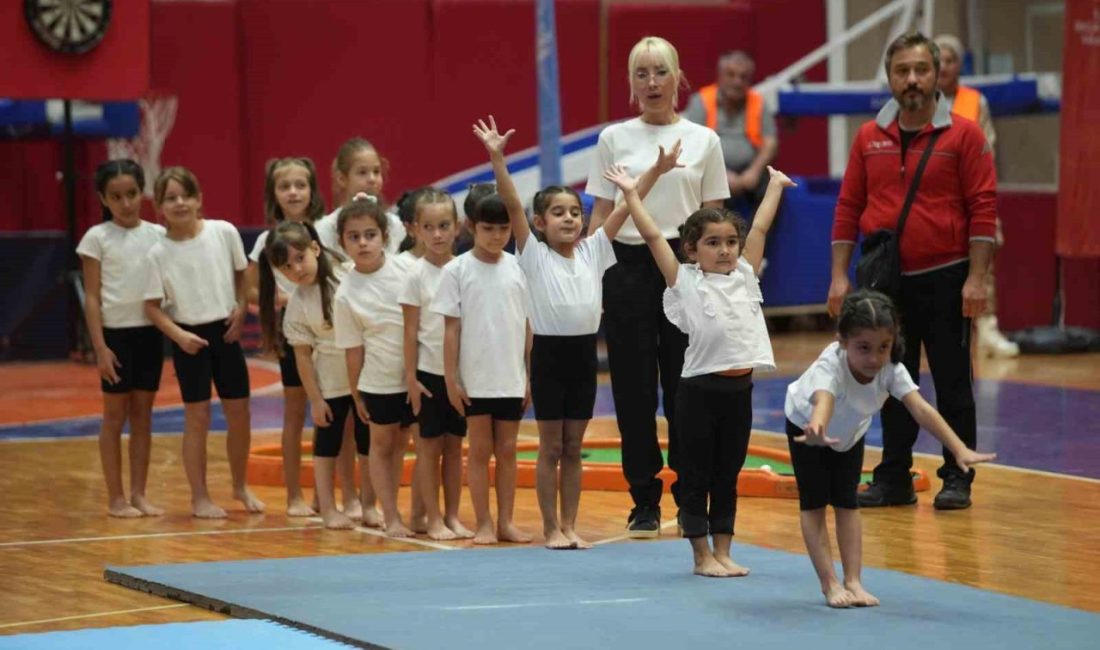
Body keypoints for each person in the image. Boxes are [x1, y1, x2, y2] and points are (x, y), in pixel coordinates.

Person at [827, 32, 998, 510]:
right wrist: (840, 277)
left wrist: (977, 279)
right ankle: (894, 477)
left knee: (952, 381)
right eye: (902, 71)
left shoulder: (966, 135)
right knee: (888, 380)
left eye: (922, 69)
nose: (913, 80)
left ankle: (957, 476)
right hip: (885, 285)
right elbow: (848, 207)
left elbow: (983, 209)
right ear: (890, 78)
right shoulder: (867, 138)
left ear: (937, 73)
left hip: (947, 278)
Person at [608, 158, 793, 576]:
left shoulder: (746, 274)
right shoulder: (685, 281)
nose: (725, 249)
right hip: (698, 393)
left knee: (728, 475)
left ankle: (724, 551)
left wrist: (776, 187)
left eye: (730, 241)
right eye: (713, 242)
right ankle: (700, 556)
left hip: (739, 391)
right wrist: (632, 195)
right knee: (697, 477)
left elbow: (759, 229)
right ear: (691, 250)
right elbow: (654, 235)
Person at [585, 35, 730, 537]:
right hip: (625, 267)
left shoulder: (704, 140)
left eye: (661, 72)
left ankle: (691, 496)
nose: (652, 83)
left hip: (685, 266)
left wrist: (719, 278)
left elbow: (716, 218)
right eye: (642, 74)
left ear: (678, 78)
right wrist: (588, 278)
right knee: (632, 388)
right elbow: (600, 216)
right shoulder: (612, 139)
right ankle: (643, 498)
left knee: (686, 387)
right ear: (631, 83)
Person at [785, 290, 996, 607]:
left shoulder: (891, 369)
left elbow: (922, 409)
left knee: (847, 503)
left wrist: (958, 449)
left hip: (850, 434)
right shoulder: (832, 365)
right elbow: (823, 399)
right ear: (843, 341)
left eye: (883, 347)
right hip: (807, 429)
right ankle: (829, 584)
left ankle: (854, 581)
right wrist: (817, 426)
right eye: (864, 348)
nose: (874, 358)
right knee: (814, 504)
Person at [143, 167, 265, 518]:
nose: (180, 203)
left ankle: (240, 486)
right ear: (161, 208)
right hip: (189, 339)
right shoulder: (157, 253)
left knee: (239, 413)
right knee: (196, 418)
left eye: (186, 195)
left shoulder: (222, 232)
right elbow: (151, 307)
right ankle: (199, 497)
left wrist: (242, 311)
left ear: (199, 199)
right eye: (171, 198)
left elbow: (242, 277)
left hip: (225, 334)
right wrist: (179, 336)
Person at [260, 221, 378, 529]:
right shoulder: (298, 303)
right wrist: (315, 399)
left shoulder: (349, 276)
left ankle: (369, 505)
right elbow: (301, 354)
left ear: (315, 248)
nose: (296, 269)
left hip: (366, 375)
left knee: (367, 442)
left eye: (300, 258)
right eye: (286, 267)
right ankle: (328, 508)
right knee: (328, 443)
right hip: (330, 382)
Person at [432, 188, 533, 546]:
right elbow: (450, 329)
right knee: (478, 451)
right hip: (474, 379)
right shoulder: (457, 270)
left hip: (510, 377)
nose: (497, 236)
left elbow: (527, 326)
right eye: (489, 228)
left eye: (504, 229)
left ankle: (506, 521)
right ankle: (484, 522)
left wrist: (528, 376)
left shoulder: (520, 269)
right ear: (472, 227)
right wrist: (451, 379)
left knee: (507, 451)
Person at [78, 159, 166, 518]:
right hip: (115, 336)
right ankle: (115, 498)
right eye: (116, 196)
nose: (126, 203)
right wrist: (99, 347)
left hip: (149, 333)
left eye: (131, 194)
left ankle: (139, 493)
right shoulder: (96, 238)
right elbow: (94, 297)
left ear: (141, 191)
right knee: (114, 415)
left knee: (143, 415)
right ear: (103, 198)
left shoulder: (158, 236)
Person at [246, 157, 327, 518]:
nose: (293, 192)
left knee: (336, 413)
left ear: (312, 190)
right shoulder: (267, 240)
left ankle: (326, 494)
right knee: (296, 414)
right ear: (273, 194)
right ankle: (294, 495)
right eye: (284, 186)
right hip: (292, 334)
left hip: (330, 331)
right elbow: (250, 291)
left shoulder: (325, 231)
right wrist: (288, 299)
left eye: (300, 184)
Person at [333, 197, 418, 537]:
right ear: (343, 243)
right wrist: (356, 394)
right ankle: (391, 516)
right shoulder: (345, 295)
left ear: (385, 237)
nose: (363, 242)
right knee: (380, 446)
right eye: (354, 237)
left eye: (370, 234)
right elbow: (353, 351)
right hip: (379, 381)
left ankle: (413, 512)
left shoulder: (407, 270)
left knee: (403, 444)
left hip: (415, 375)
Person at [934, 33, 1018, 358]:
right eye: (938, 59)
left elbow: (988, 150)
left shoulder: (975, 101)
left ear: (959, 65)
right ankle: (946, 332)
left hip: (971, 192)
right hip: (934, 198)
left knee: (985, 257)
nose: (944, 66)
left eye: (951, 59)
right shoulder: (920, 102)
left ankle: (988, 328)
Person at [399, 188, 475, 541]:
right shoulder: (415, 275)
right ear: (415, 229)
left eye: (444, 225)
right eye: (429, 227)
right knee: (428, 449)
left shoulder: (465, 269)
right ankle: (431, 518)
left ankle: (452, 516)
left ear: (457, 226)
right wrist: (411, 379)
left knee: (454, 448)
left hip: (461, 376)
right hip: (429, 376)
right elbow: (410, 330)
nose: (438, 234)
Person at [683, 50, 778, 215]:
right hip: (712, 169)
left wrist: (754, 171)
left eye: (743, 77)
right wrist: (721, 173)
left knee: (773, 186)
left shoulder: (758, 102)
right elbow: (692, 144)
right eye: (731, 75)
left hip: (750, 171)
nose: (737, 82)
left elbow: (770, 142)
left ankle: (756, 239)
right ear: (719, 76)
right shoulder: (701, 101)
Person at [315, 138, 407, 263]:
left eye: (376, 171)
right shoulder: (325, 228)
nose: (372, 179)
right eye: (362, 172)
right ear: (342, 178)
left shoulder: (394, 224)